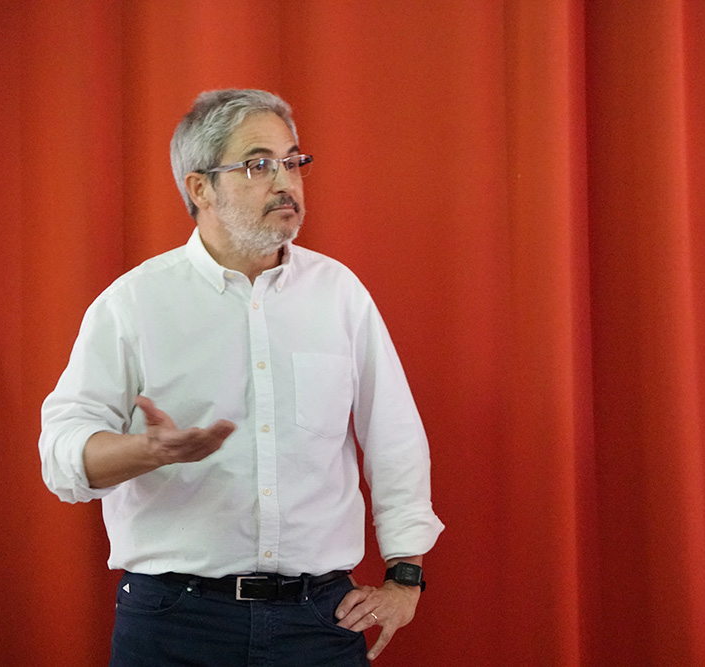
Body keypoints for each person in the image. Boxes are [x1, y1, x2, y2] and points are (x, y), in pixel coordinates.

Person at [39, 88, 443, 666]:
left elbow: (394, 437)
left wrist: (405, 576)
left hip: (318, 621)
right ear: (200, 188)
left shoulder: (339, 294)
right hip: (175, 622)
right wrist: (144, 452)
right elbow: (60, 456)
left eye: (293, 162)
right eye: (258, 165)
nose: (285, 182)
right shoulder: (134, 303)